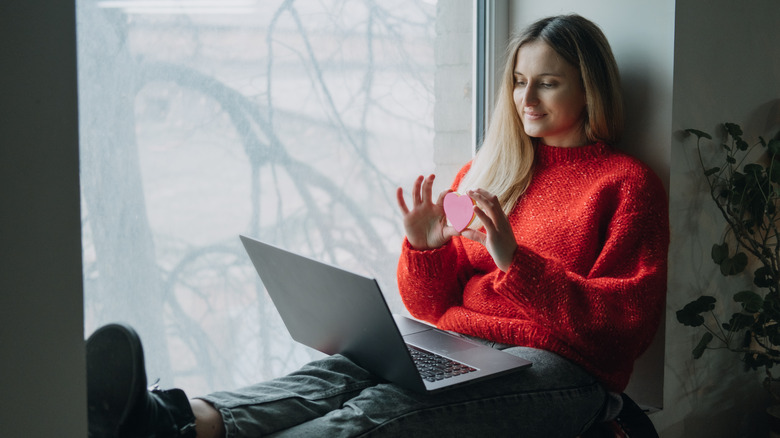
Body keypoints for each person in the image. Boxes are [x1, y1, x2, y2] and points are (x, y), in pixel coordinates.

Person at [86, 14, 669, 438]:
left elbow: (622, 330)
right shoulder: (492, 170)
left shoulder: (624, 185)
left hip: (564, 372)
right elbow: (428, 304)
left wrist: (515, 262)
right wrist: (422, 247)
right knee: (333, 375)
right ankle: (164, 420)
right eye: (519, 81)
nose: (526, 97)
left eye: (548, 81)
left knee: (379, 410)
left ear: (589, 87)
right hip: (464, 342)